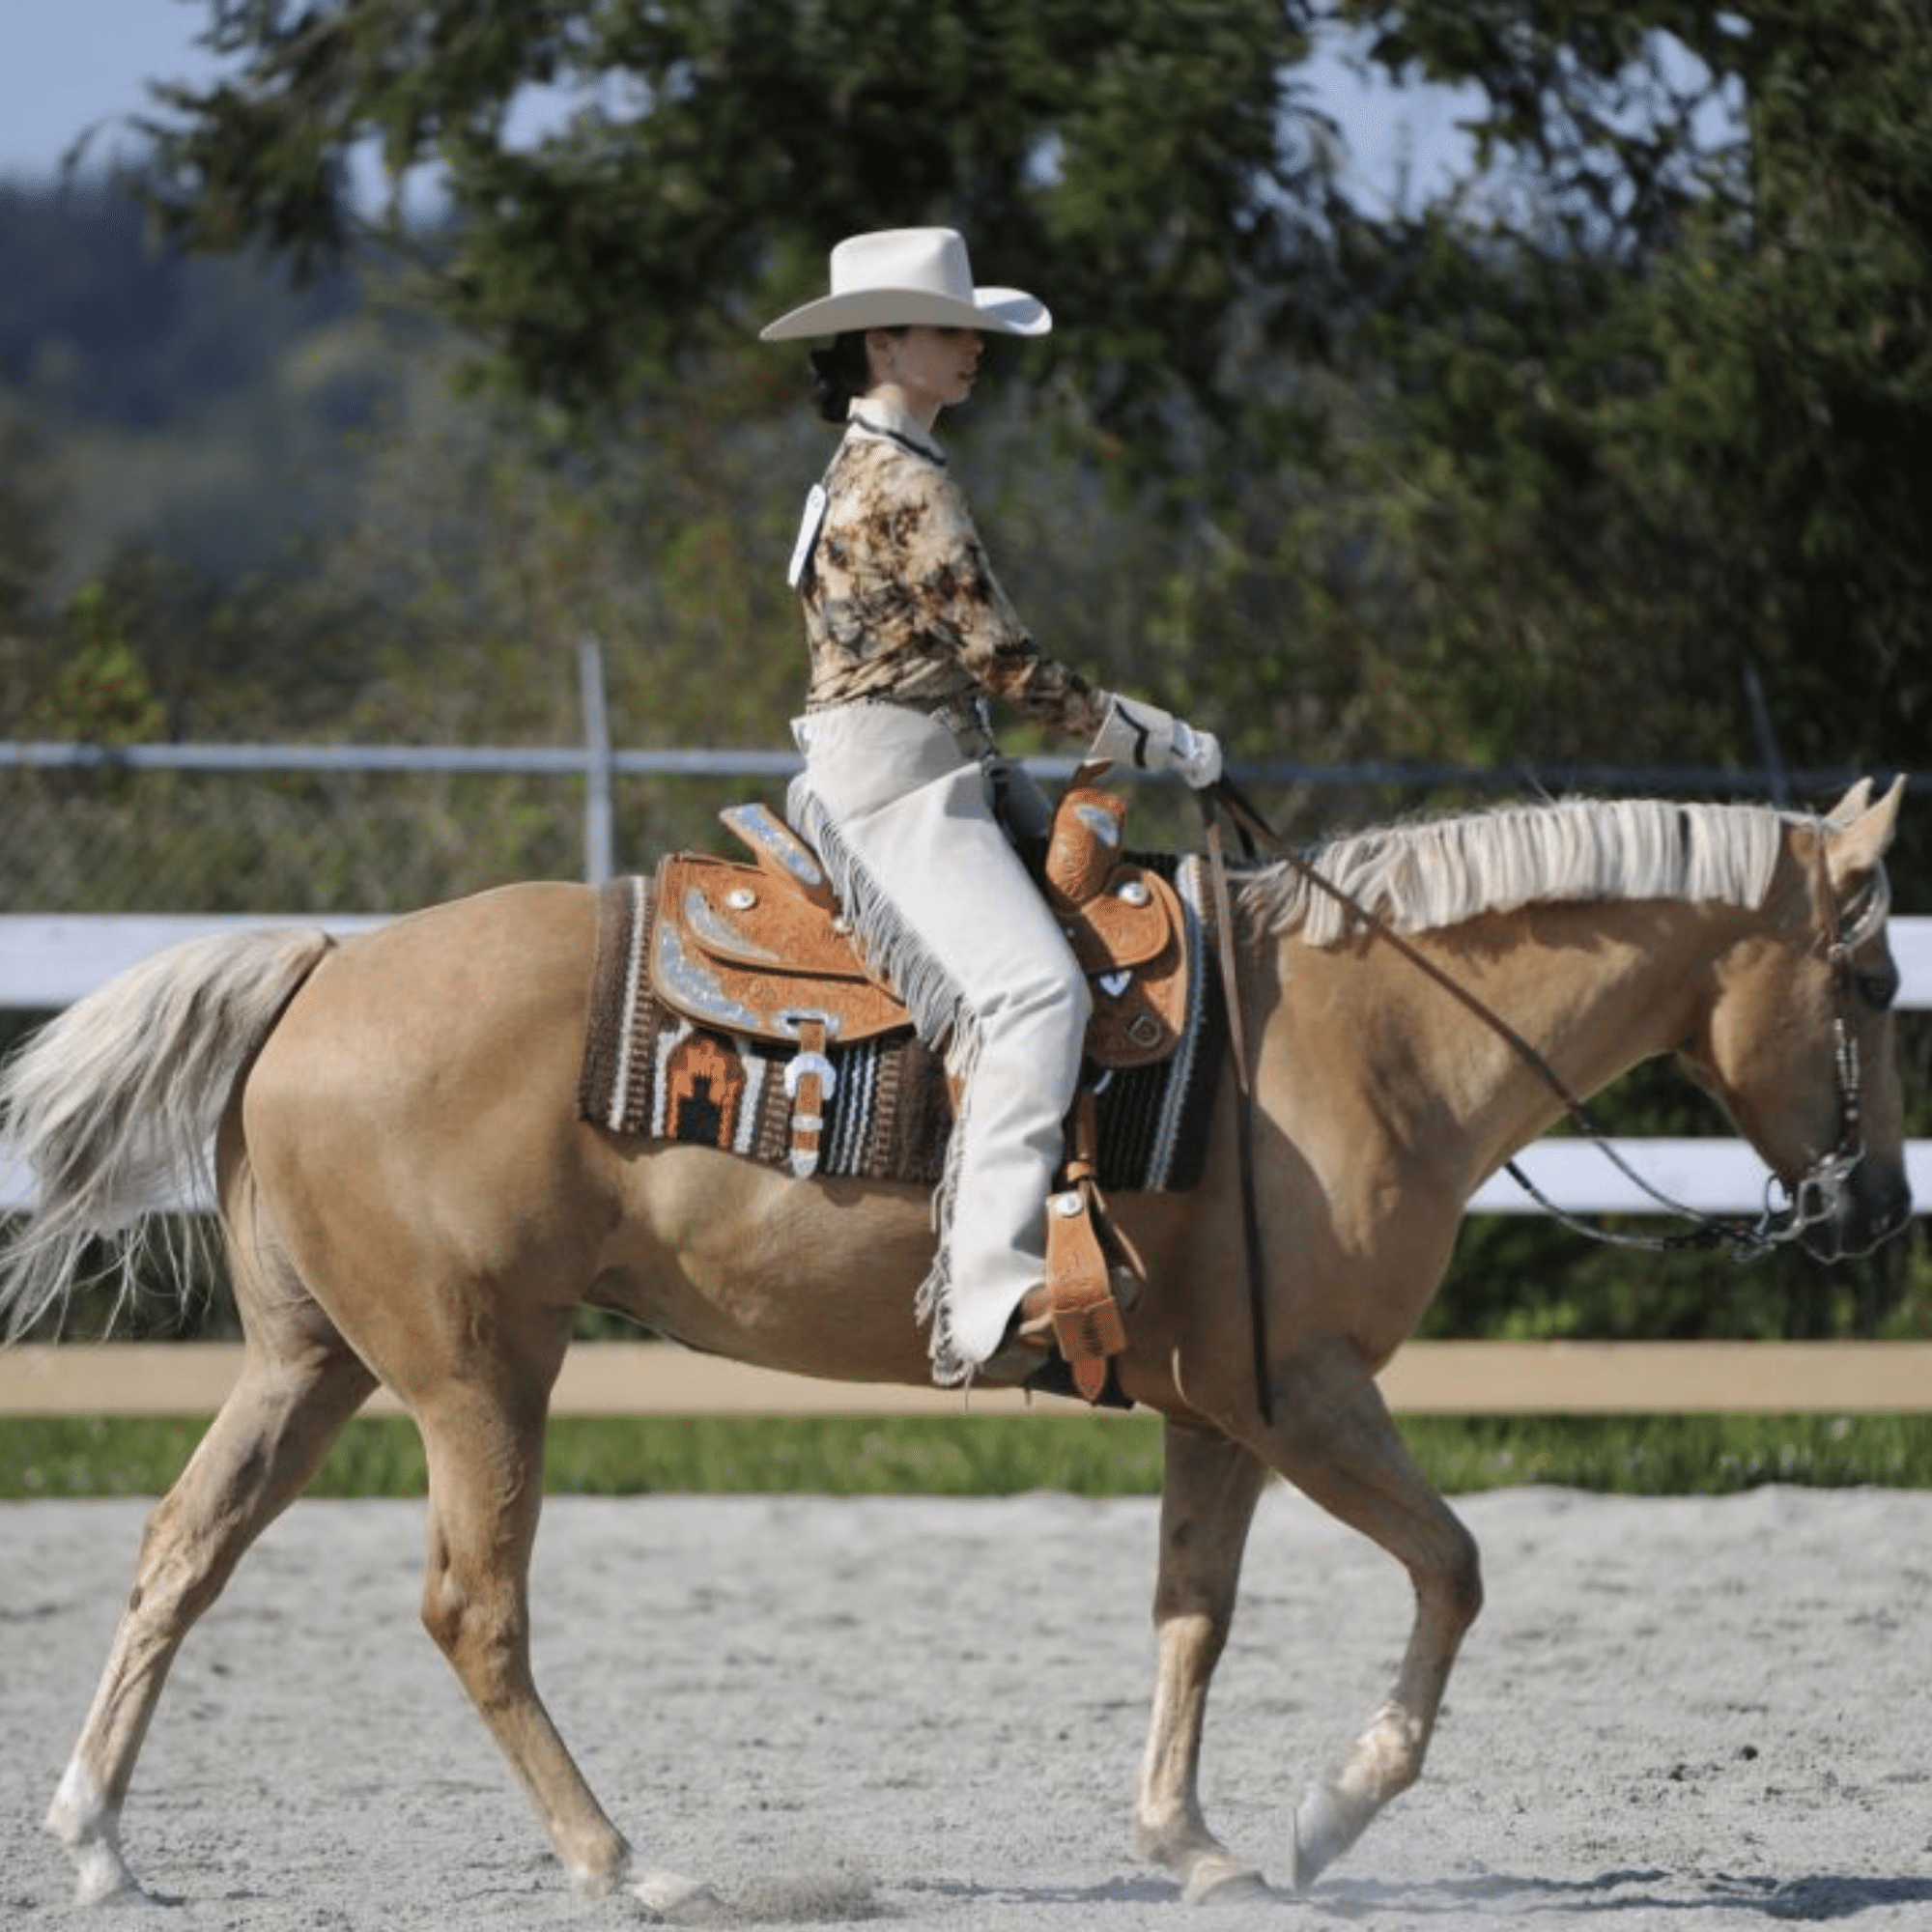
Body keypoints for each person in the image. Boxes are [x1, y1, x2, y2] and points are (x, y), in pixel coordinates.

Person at [759, 226, 1221, 1386]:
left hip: (931, 760)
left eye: (972, 329)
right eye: (952, 328)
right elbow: (1008, 661)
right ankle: (987, 1287)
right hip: (901, 783)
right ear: (883, 340)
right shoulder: (906, 483)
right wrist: (1142, 732)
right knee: (1031, 992)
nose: (973, 346)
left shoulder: (861, 472)